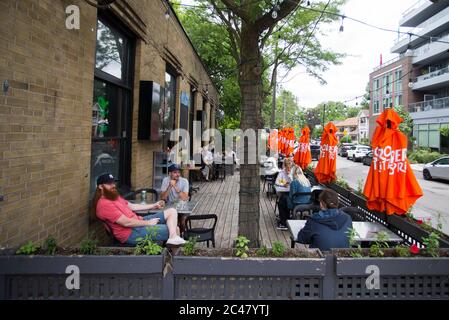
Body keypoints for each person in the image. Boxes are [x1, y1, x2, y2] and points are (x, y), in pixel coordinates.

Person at [93, 173, 186, 246]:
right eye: (109, 184)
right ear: (100, 186)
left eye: (113, 182)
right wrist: (148, 223)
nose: (113, 185)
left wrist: (153, 205)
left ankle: (172, 239)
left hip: (138, 222)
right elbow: (126, 223)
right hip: (130, 233)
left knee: (172, 211)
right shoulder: (104, 204)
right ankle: (174, 260)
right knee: (175, 229)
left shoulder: (113, 196)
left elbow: (132, 206)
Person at [277, 166, 312, 230]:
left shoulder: (295, 182)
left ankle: (284, 223)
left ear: (294, 173)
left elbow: (291, 196)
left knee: (282, 201)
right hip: (307, 204)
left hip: (297, 204)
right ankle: (287, 218)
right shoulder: (307, 181)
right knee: (284, 199)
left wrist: (289, 206)